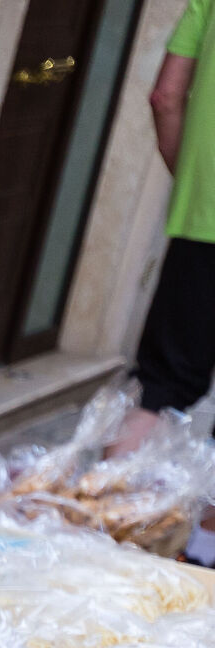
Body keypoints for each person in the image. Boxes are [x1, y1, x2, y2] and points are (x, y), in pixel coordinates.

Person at [115, 0, 215, 458]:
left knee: (160, 389)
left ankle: (101, 514)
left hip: (204, 221)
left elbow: (166, 96)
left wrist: (194, 186)